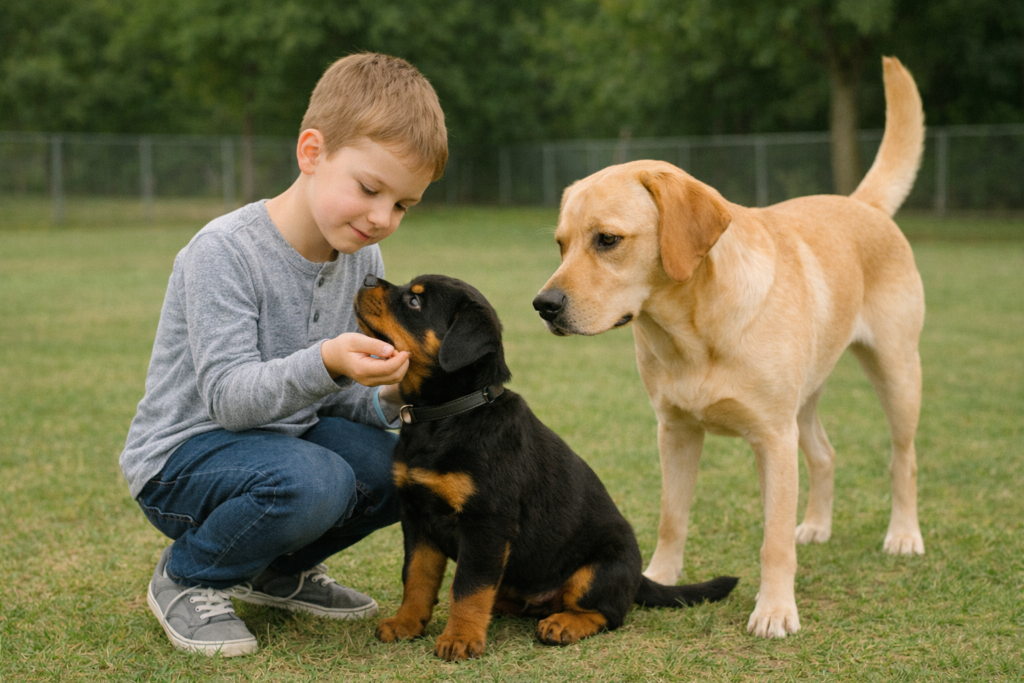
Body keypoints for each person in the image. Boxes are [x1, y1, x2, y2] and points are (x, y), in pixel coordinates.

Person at [120, 52, 447, 657]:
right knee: (315, 480)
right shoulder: (223, 252)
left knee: (403, 468)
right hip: (183, 459)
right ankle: (188, 573)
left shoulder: (360, 259)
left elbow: (344, 395)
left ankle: (274, 571)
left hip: (282, 446)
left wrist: (394, 394)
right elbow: (230, 400)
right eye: (370, 189)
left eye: (402, 205)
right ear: (312, 153)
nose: (382, 218)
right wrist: (327, 359)